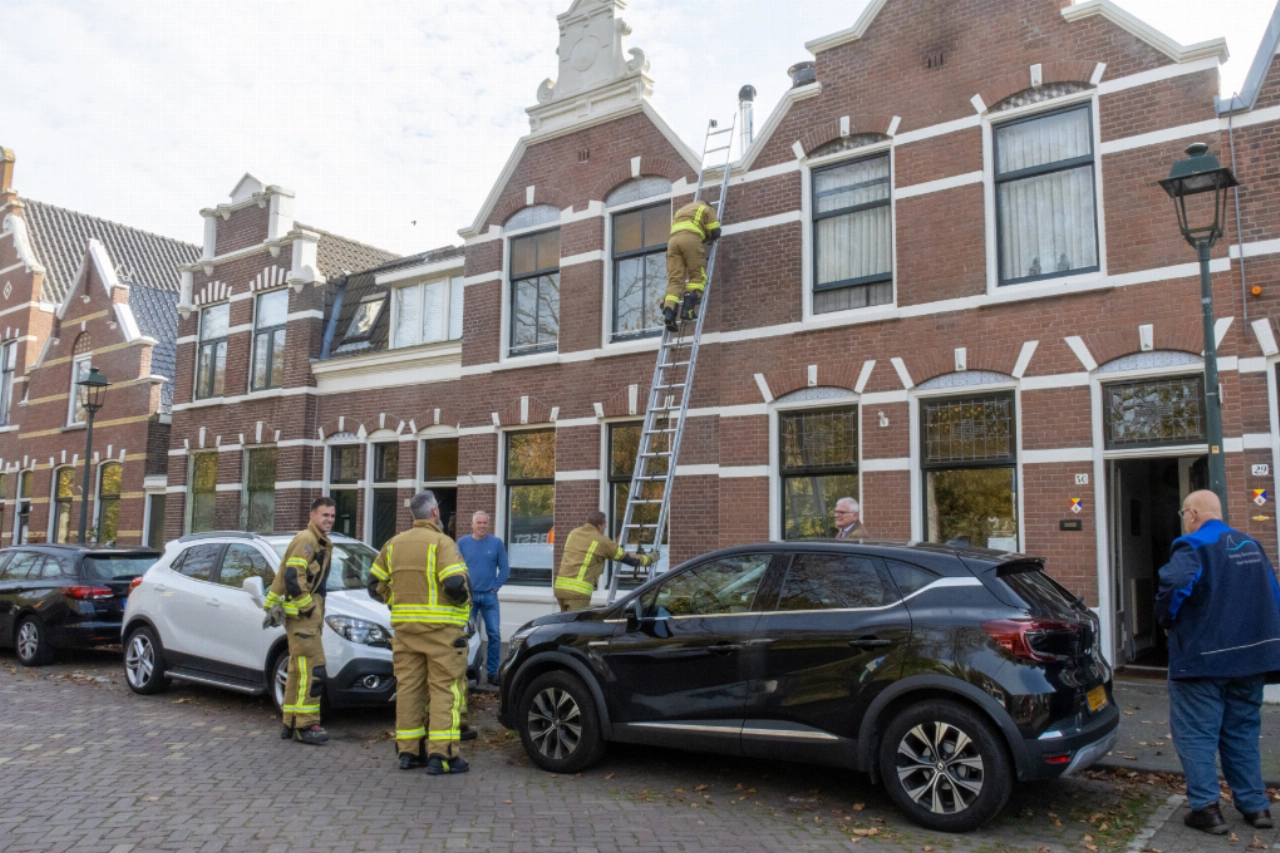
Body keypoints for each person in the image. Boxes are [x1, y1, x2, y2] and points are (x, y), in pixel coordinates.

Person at [1156, 489, 1280, 834]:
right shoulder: (1252, 546)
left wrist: (1167, 621)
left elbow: (1175, 584)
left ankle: (1207, 809)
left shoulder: (1192, 545)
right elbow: (1274, 595)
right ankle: (1256, 807)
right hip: (1251, 660)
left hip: (1203, 660)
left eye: (1184, 514)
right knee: (1242, 731)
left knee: (1196, 733)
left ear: (1193, 513)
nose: (1185, 520)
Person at [368, 491, 472, 774]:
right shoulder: (443, 543)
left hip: (405, 633)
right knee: (444, 691)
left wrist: (396, 603)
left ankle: (409, 753)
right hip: (441, 633)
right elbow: (453, 584)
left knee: (409, 691)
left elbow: (373, 585)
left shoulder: (392, 545)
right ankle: (443, 756)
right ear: (435, 513)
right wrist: (464, 608)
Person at [265, 497, 335, 746]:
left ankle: (291, 721)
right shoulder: (307, 540)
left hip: (303, 616)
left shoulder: (318, 541)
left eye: (332, 516)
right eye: (324, 515)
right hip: (303, 616)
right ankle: (307, 724)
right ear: (312, 516)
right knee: (313, 669)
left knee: (297, 669)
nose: (329, 520)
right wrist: (307, 608)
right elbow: (294, 577)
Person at [555, 511, 655, 612]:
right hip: (577, 593)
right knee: (577, 625)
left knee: (564, 624)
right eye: (605, 525)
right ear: (599, 525)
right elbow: (628, 559)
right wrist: (649, 559)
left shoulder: (574, 533)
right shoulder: (601, 541)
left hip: (560, 589)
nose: (605, 528)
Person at [456, 510, 510, 687]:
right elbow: (455, 567)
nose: (482, 526)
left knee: (494, 634)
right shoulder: (462, 543)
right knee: (464, 635)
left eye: (484, 523)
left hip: (489, 596)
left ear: (489, 524)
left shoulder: (496, 543)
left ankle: (492, 673)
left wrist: (496, 586)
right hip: (468, 597)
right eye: (478, 523)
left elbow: (505, 568)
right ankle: (464, 670)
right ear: (472, 524)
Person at [664, 199, 721, 332]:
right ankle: (688, 310)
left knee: (675, 280)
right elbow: (715, 232)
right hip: (690, 240)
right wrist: (706, 239)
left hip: (672, 243)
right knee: (697, 276)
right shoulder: (707, 209)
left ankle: (669, 314)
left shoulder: (680, 211)